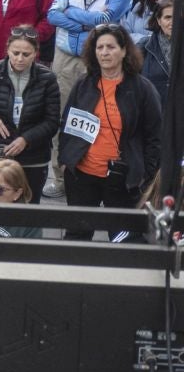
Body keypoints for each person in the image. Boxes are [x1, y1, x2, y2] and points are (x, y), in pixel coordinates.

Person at [58, 24, 163, 233]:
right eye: (100, 47)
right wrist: (64, 160)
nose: (104, 52)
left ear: (124, 51)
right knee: (76, 240)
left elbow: (155, 137)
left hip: (123, 179)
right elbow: (68, 125)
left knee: (123, 243)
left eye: (111, 47)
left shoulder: (143, 89)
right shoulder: (84, 84)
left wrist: (145, 175)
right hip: (82, 176)